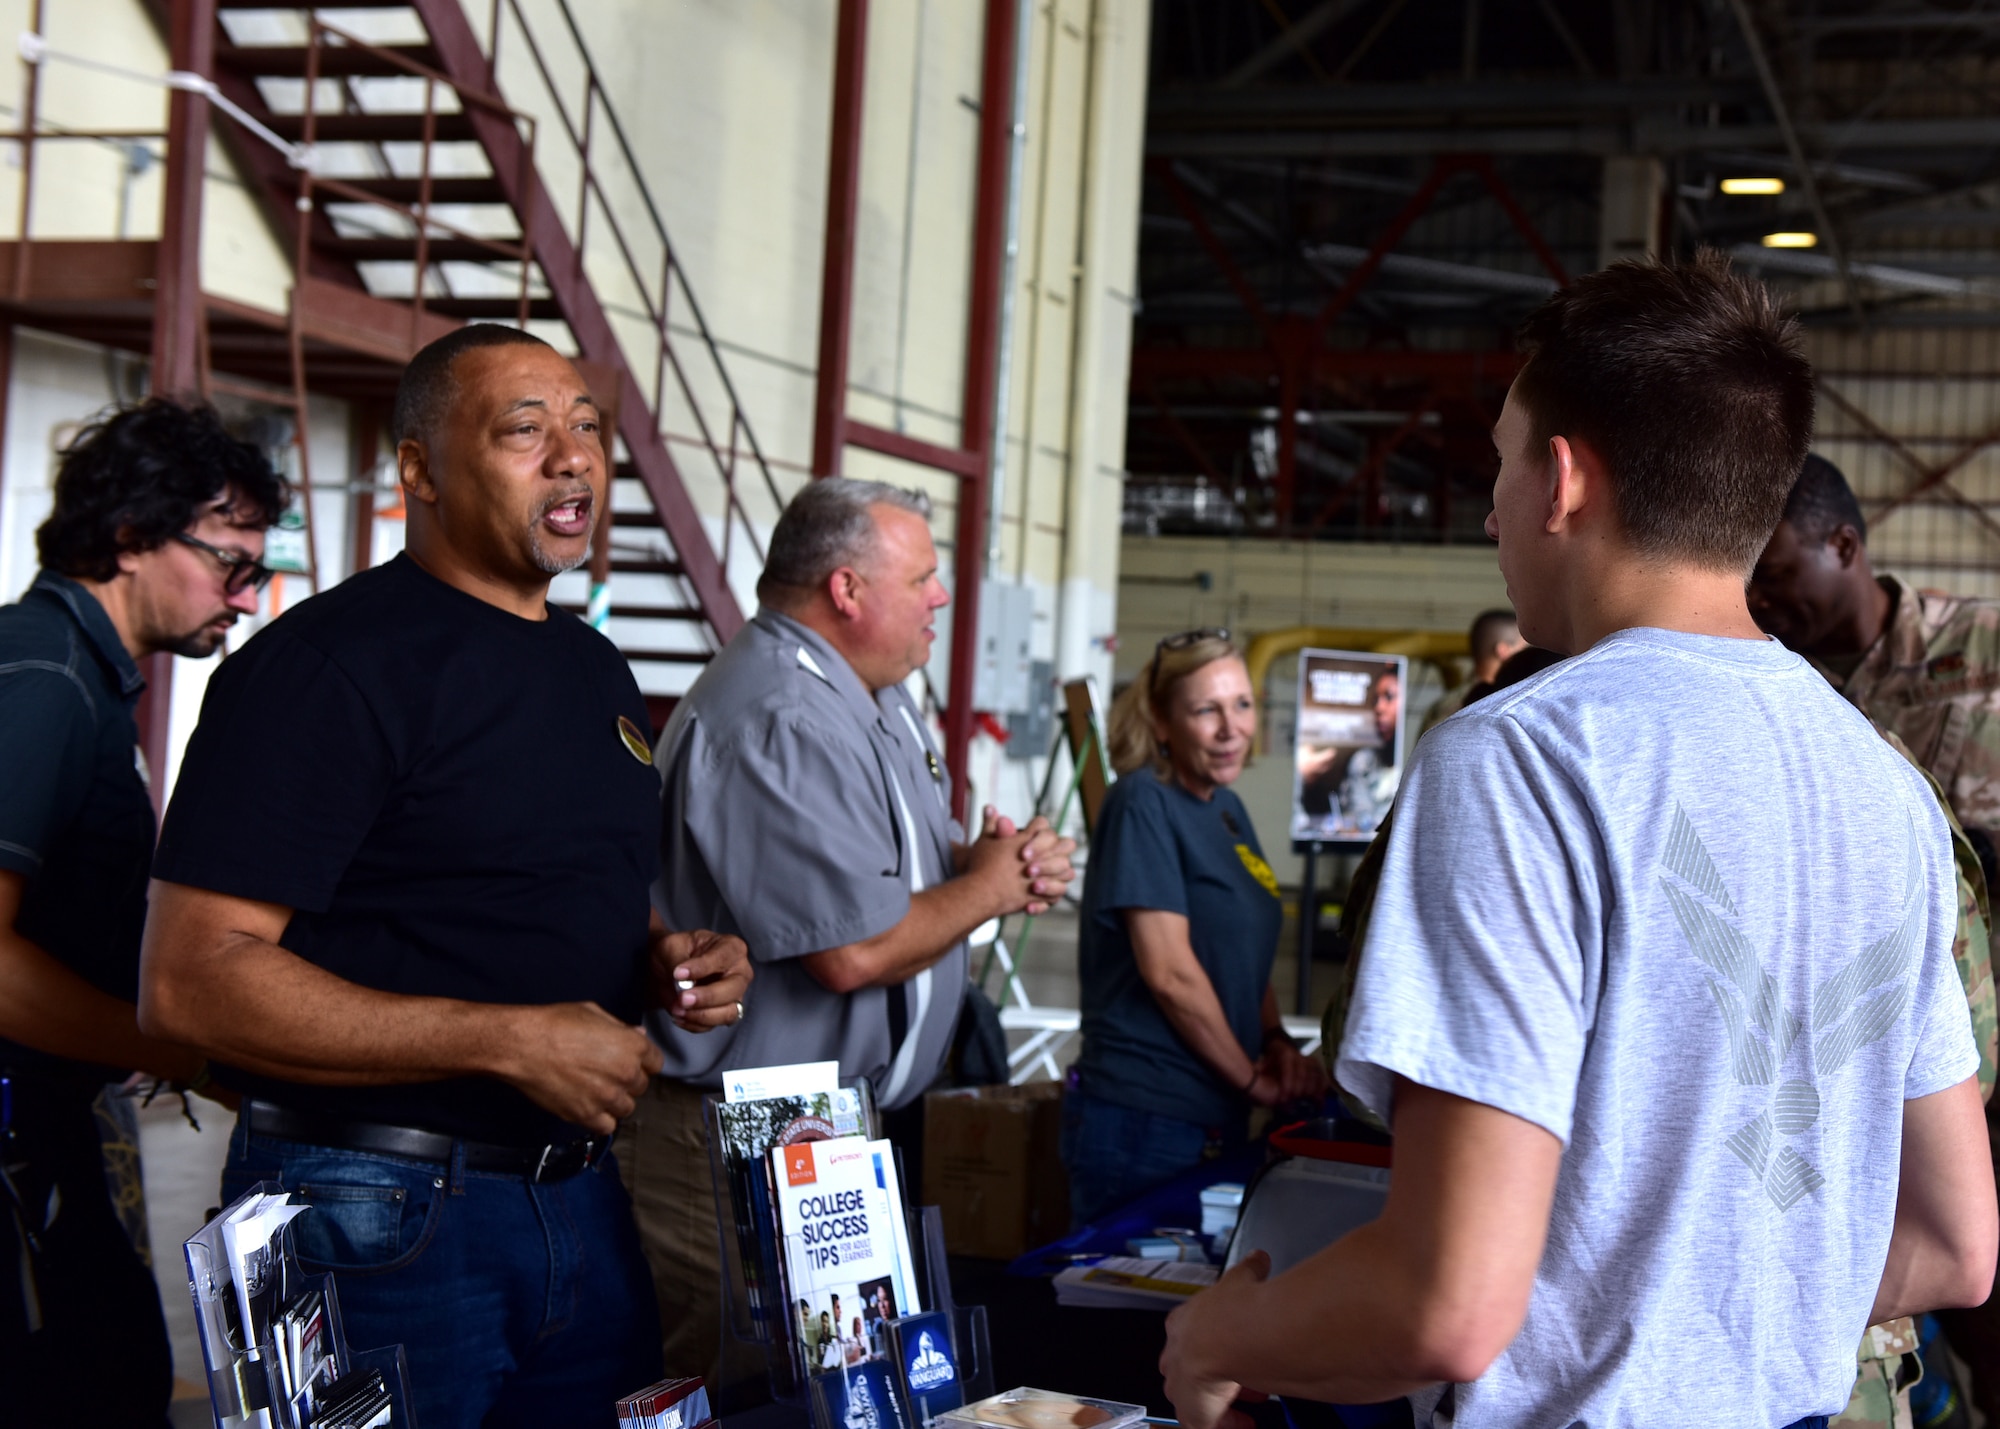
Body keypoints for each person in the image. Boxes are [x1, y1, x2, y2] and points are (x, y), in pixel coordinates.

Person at [1159, 253, 1998, 1428]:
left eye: (1501, 465)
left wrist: (1214, 1333)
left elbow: (1445, 1304)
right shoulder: (1889, 792)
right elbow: (1951, 1245)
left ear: (1559, 481)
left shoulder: (1521, 759)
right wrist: (1704, 1316)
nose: (1493, 507)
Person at [137, 325, 753, 1429]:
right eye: (525, 430)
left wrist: (663, 951)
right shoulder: (323, 669)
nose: (572, 456)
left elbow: (519, 885)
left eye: (586, 428)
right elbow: (192, 980)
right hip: (378, 1211)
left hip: (576, 1197)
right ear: (418, 469)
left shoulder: (590, 667)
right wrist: (508, 1037)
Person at [626, 477, 1075, 1383]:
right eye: (924, 578)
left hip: (816, 1131)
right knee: (741, 1383)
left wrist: (986, 860)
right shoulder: (780, 712)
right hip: (731, 1136)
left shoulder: (872, 696)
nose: (943, 597)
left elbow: (891, 875)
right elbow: (852, 950)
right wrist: (989, 887)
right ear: (846, 590)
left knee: (832, 1386)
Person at [0, 401, 283, 1427]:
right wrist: (177, 1044)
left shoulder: (82, 676)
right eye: (228, 564)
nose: (244, 599)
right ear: (128, 537)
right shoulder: (41, 678)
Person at [1750, 453, 2000, 1424]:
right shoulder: (1779, 689)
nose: (1764, 602)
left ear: (1843, 546)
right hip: (1878, 1075)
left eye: (1777, 575)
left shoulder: (1978, 649)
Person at [1064, 631, 1330, 1226]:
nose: (1231, 727)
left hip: (1213, 1114)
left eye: (1241, 704)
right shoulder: (1143, 803)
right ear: (1161, 722)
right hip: (1144, 1119)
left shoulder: (1226, 810)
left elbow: (1244, 950)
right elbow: (1171, 973)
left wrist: (1277, 1044)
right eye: (1206, 709)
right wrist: (1252, 1081)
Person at [1420, 609, 1524, 734]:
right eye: (1524, 648)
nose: (1529, 656)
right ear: (1503, 651)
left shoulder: (1454, 702)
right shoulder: (1464, 707)